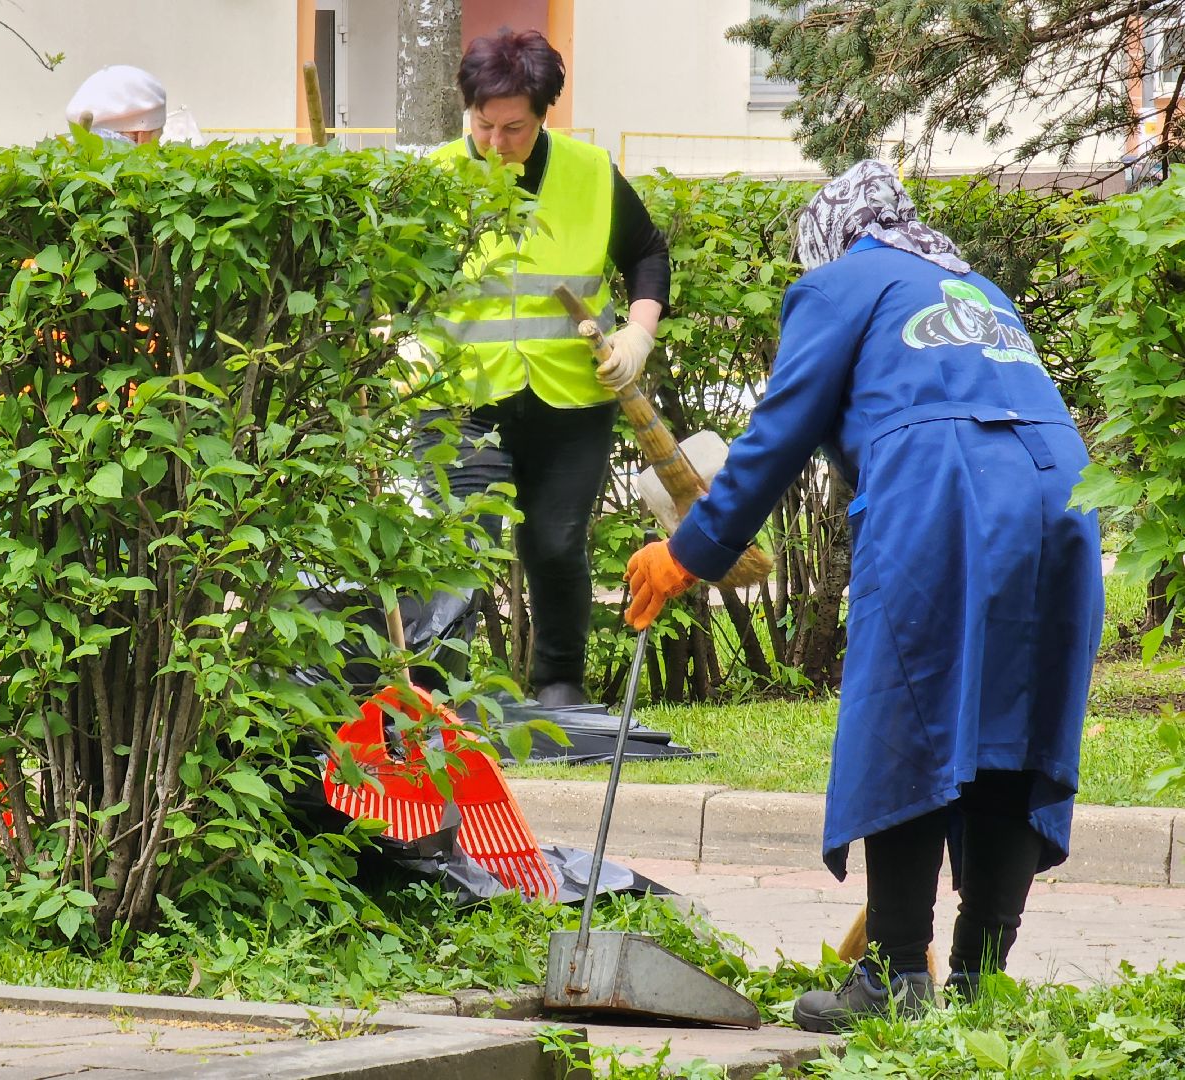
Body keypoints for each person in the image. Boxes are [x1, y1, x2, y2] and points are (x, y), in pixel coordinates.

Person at [623, 160, 1104, 1030]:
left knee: (905, 715)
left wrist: (688, 553)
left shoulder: (839, 283)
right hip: (1061, 493)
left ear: (831, 238)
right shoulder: (974, 285)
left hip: (944, 491)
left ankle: (892, 980)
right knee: (1014, 726)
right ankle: (979, 985)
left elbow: (779, 432)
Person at [413, 28, 670, 708]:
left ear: (543, 113)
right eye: (483, 125)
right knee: (460, 546)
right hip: (460, 399)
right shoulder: (432, 177)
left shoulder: (589, 173)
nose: (496, 143)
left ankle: (560, 688)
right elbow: (381, 274)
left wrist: (638, 335)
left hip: (571, 399)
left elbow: (647, 252)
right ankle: (438, 699)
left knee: (556, 546)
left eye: (514, 129)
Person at [65, 65, 168, 144]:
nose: (158, 145)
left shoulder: (65, 152)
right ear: (140, 136)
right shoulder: (132, 162)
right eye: (157, 139)